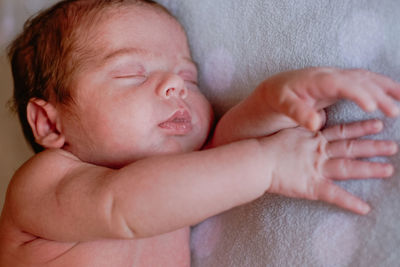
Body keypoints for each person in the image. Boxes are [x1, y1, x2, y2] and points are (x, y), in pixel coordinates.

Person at [0, 0, 399, 266]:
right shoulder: (42, 184)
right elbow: (122, 204)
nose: (175, 85)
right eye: (132, 73)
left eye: (189, 78)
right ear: (51, 124)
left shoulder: (180, 177)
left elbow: (218, 160)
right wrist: (269, 163)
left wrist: (275, 101)